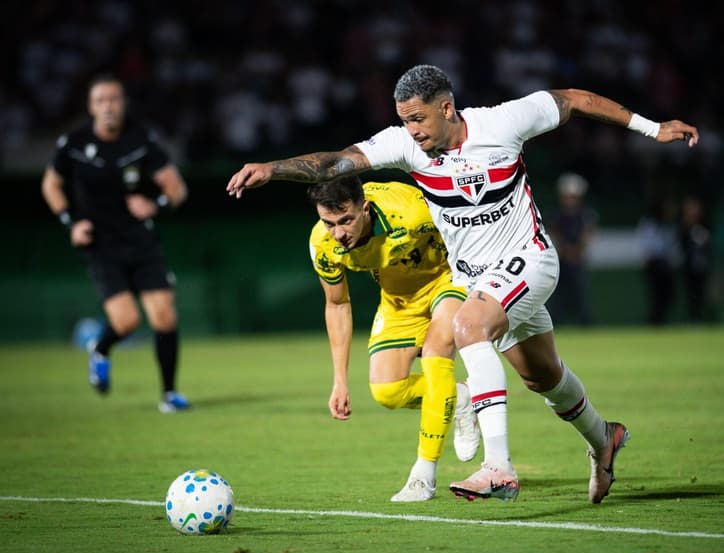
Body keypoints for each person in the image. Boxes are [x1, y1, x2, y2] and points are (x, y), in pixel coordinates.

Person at [227, 64, 699, 503]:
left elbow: (574, 99)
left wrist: (652, 128)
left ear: (447, 108)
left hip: (528, 258)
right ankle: (604, 438)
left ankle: (498, 467)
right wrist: (273, 169)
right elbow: (336, 164)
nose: (412, 130)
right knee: (542, 376)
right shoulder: (406, 147)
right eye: (405, 121)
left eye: (418, 118)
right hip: (481, 279)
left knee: (467, 327)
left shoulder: (503, 123)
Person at [307, 176, 479, 502]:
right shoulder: (324, 244)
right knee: (388, 391)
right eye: (329, 223)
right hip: (399, 300)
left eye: (346, 220)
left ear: (365, 208)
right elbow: (337, 304)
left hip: (448, 279)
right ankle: (462, 398)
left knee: (435, 355)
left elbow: (466, 224)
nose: (339, 233)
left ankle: (423, 477)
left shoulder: (412, 212)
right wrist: (339, 381)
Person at [41, 74, 191, 413]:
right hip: (99, 244)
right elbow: (50, 185)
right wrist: (71, 221)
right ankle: (100, 349)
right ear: (91, 106)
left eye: (114, 99)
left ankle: (169, 394)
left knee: (165, 317)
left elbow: (177, 190)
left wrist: (156, 205)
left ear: (123, 104)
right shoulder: (74, 143)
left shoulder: (140, 140)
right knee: (126, 322)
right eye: (101, 100)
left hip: (140, 240)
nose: (108, 106)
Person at [546, 172, 596, 326]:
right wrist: (566, 250)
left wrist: (577, 250)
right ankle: (555, 324)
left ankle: (585, 323)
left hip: (578, 260)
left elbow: (588, 234)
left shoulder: (586, 215)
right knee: (558, 297)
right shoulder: (556, 215)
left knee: (580, 295)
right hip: (560, 260)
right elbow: (554, 234)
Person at [636, 197, 678, 325]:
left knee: (668, 297)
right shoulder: (649, 223)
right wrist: (646, 260)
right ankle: (654, 322)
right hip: (654, 264)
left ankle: (659, 321)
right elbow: (646, 245)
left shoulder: (671, 224)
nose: (670, 211)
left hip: (666, 264)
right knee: (657, 297)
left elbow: (672, 247)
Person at [679, 195, 712, 323]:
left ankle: (698, 317)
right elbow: (682, 244)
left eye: (694, 207)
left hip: (702, 264)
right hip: (689, 265)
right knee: (690, 292)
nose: (692, 210)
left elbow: (708, 242)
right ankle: (693, 318)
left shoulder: (705, 223)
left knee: (701, 291)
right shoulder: (683, 225)